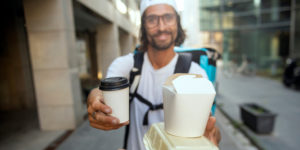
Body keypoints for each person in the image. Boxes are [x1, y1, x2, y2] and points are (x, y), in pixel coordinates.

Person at [87, 0, 221, 149]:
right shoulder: (128, 65)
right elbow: (103, 89)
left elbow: (211, 127)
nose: (161, 27)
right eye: (152, 20)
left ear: (177, 22)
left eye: (168, 17)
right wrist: (94, 98)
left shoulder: (194, 72)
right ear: (143, 26)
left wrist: (210, 135)